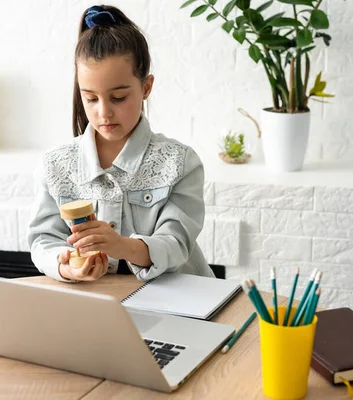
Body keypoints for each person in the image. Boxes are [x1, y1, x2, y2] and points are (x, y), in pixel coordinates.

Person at [28, 5, 214, 282]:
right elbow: (43, 239)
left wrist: (121, 246)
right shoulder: (55, 164)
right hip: (99, 303)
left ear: (146, 88)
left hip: (177, 300)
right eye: (90, 98)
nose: (104, 112)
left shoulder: (180, 162)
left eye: (118, 98)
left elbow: (177, 244)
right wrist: (65, 266)